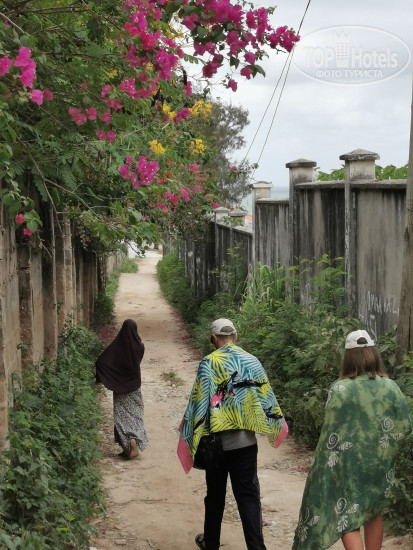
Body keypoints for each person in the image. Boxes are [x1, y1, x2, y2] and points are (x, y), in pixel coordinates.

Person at [292, 329, 412, 550]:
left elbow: (331, 432)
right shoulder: (390, 386)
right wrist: (386, 447)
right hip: (379, 464)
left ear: (348, 357)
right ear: (373, 354)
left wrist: (321, 468)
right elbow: (405, 425)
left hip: (348, 465)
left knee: (346, 516)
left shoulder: (340, 389)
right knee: (374, 512)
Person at [177, 318, 288, 550]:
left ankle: (211, 544)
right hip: (246, 445)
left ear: (213, 338)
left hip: (215, 446)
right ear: (235, 337)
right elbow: (266, 396)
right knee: (248, 497)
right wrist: (274, 425)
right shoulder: (252, 361)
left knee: (215, 497)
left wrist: (190, 430)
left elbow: (199, 403)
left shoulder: (209, 363)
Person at [95, 318, 149, 459]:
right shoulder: (140, 347)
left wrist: (102, 375)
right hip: (135, 387)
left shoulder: (117, 347)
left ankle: (128, 446)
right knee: (135, 416)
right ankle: (133, 442)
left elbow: (103, 361)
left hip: (120, 389)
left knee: (122, 417)